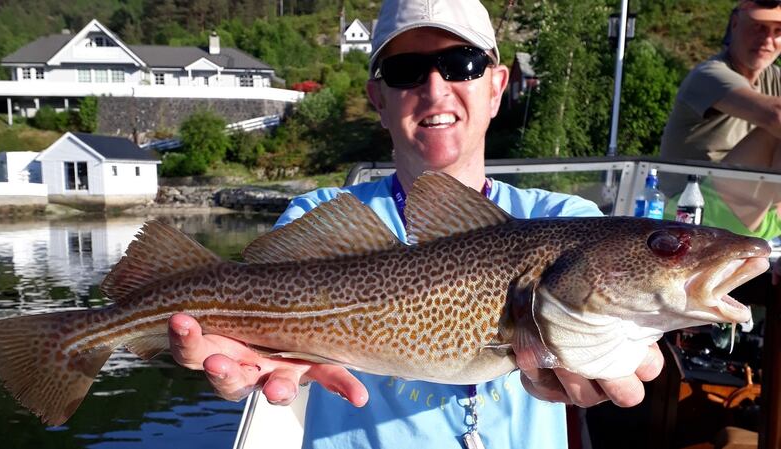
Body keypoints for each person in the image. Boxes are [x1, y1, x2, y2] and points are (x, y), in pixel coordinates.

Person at [167, 1, 664, 448]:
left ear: (496, 87)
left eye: (461, 64)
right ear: (378, 99)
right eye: (405, 71)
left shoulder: (566, 224)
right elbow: (258, 333)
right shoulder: (319, 214)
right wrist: (247, 346)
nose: (434, 88)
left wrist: (617, 356)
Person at [660, 0, 781, 240]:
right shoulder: (710, 75)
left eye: (778, 31)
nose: (768, 40)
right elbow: (775, 116)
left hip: (764, 216)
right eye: (758, 27)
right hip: (693, 213)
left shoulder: (775, 77)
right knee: (774, 128)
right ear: (735, 24)